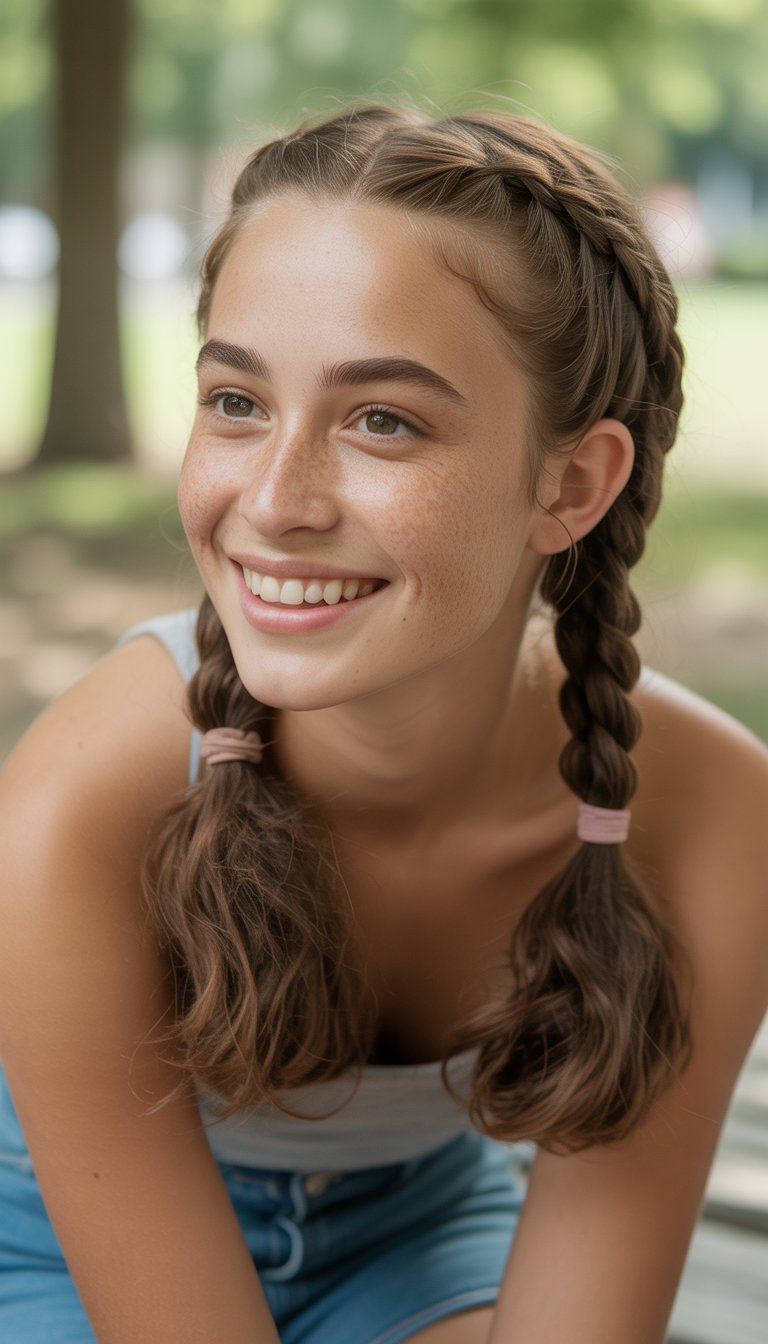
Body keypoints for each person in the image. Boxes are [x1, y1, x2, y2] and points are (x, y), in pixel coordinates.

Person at [0, 104, 766, 1344]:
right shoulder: (80, 803)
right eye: (235, 401)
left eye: (383, 421)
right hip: (41, 1233)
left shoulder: (707, 819)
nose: (275, 500)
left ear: (570, 484)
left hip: (410, 1236)